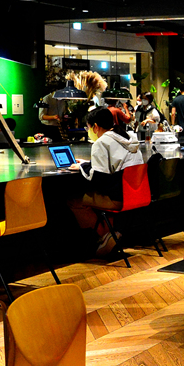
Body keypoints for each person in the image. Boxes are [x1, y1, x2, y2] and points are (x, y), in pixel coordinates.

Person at [66, 108, 144, 256]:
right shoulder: (128, 137)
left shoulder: (101, 142)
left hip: (118, 198)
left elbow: (99, 179)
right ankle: (110, 236)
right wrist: (88, 163)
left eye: (89, 127)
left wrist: (82, 167)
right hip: (136, 194)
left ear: (95, 126)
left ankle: (107, 236)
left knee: (74, 200)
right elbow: (115, 164)